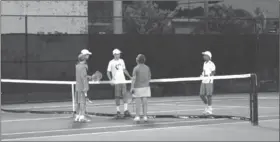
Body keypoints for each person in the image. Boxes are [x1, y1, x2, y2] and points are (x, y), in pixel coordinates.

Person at [107, 49, 132, 118]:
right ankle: (118, 111)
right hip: (116, 82)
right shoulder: (111, 62)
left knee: (125, 95)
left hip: (123, 81)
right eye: (117, 54)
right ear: (114, 54)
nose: (119, 55)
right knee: (117, 96)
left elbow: (124, 70)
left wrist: (130, 77)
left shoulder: (122, 61)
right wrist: (111, 80)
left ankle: (126, 110)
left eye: (119, 54)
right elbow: (108, 72)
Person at [131, 54, 151, 122]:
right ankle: (145, 116)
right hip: (145, 87)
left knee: (137, 103)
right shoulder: (147, 67)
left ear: (137, 60)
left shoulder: (136, 68)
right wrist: (146, 84)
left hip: (138, 87)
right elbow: (149, 77)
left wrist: (132, 87)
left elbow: (133, 79)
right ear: (144, 60)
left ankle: (137, 117)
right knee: (145, 103)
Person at [74, 49, 92, 122]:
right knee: (83, 102)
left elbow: (82, 75)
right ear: (84, 56)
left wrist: (88, 77)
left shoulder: (77, 66)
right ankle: (82, 117)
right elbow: (83, 77)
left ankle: (77, 116)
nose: (88, 56)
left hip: (77, 86)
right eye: (87, 55)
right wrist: (86, 87)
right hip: (82, 87)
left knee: (78, 102)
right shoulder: (84, 66)